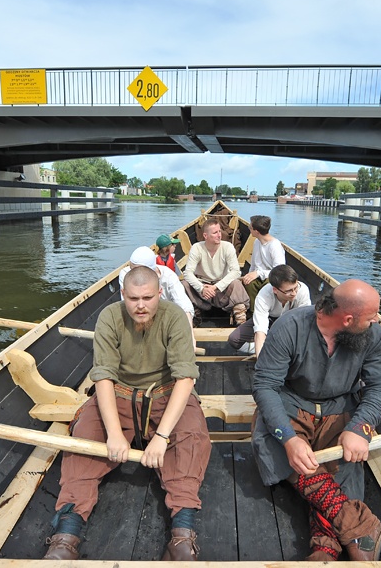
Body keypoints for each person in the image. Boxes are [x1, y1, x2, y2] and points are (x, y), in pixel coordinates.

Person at [44, 266, 212, 561]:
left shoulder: (174, 317)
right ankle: (65, 538)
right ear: (123, 295)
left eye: (148, 297)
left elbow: (185, 379)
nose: (141, 305)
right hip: (119, 395)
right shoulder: (110, 316)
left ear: (159, 293)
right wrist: (113, 434)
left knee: (192, 438)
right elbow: (103, 378)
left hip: (166, 393)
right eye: (133, 298)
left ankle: (182, 535)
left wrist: (160, 438)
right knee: (83, 440)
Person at [250, 279, 381, 561]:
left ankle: (324, 548)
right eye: (371, 317)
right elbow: (266, 385)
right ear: (348, 319)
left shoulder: (373, 336)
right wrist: (290, 440)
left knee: (346, 462)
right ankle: (357, 525)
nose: (376, 321)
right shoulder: (290, 326)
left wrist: (360, 429)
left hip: (340, 407)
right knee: (270, 439)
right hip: (292, 402)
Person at [119, 246, 197, 350]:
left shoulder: (169, 276)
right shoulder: (126, 274)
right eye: (132, 270)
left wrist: (190, 337)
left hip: (165, 319)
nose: (135, 275)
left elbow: (185, 307)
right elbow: (128, 305)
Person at [228, 264, 311, 356]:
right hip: (270, 319)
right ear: (275, 290)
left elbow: (303, 324)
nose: (294, 293)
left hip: (291, 322)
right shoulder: (264, 295)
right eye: (288, 291)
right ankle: (268, 349)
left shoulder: (303, 290)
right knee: (234, 339)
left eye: (295, 288)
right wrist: (261, 359)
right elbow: (260, 330)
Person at [182, 217, 250, 326]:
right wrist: (201, 287)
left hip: (221, 286)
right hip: (202, 286)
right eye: (215, 233)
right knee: (184, 284)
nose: (219, 235)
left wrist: (216, 287)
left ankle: (241, 321)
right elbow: (188, 272)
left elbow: (236, 271)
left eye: (219, 231)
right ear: (205, 236)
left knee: (236, 283)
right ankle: (195, 314)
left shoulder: (228, 247)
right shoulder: (197, 248)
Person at [240, 215, 285, 309]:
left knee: (267, 287)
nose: (249, 229)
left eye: (250, 227)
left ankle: (268, 311)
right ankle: (252, 313)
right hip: (259, 275)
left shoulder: (274, 246)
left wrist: (258, 273)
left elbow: (279, 270)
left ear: (256, 231)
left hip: (272, 276)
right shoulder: (257, 242)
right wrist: (249, 275)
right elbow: (253, 264)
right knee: (249, 283)